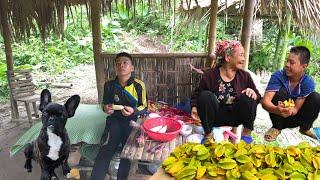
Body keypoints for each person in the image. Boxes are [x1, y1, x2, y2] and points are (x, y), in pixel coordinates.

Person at [190, 40, 261, 143]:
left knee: (249, 96)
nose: (243, 59)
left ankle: (246, 136)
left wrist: (253, 93)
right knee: (205, 95)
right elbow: (197, 95)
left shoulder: (245, 76)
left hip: (236, 117)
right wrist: (194, 107)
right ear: (228, 58)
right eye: (241, 55)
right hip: (215, 117)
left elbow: (258, 97)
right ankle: (208, 135)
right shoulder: (210, 75)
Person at [91, 52, 147, 180]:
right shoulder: (109, 85)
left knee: (126, 153)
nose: (121, 65)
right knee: (106, 149)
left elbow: (144, 106)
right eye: (118, 63)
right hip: (114, 120)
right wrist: (106, 108)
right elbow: (104, 104)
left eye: (125, 63)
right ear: (115, 68)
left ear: (132, 68)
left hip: (132, 121)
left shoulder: (139, 85)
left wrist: (133, 111)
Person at [261, 46, 320, 142]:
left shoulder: (308, 82)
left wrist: (290, 111)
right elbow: (265, 102)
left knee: (316, 97)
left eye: (291, 63)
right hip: (278, 115)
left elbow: (296, 109)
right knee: (281, 92)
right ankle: (276, 128)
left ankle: (305, 128)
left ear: (304, 66)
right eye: (287, 61)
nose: (287, 65)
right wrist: (276, 109)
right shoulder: (278, 76)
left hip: (295, 118)